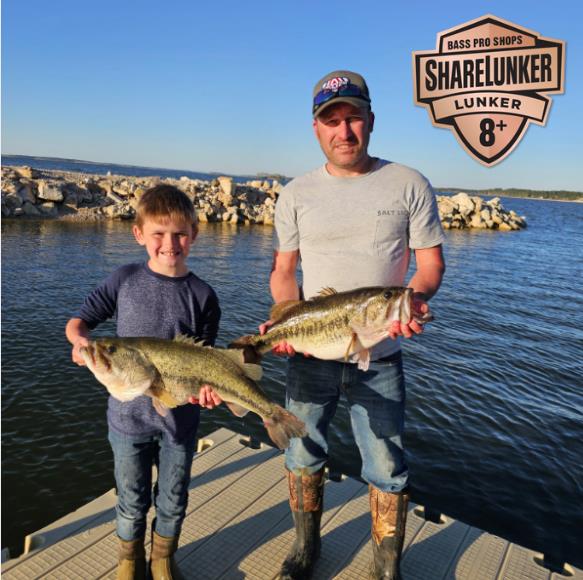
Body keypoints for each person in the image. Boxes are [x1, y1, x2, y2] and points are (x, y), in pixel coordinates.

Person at [266, 70, 446, 580]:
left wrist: (414, 302)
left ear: (371, 120)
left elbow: (430, 265)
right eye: (332, 121)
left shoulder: (409, 184)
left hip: (380, 354)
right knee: (302, 452)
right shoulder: (296, 193)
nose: (343, 131)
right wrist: (286, 318)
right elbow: (284, 271)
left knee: (387, 466)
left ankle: (386, 568)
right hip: (310, 355)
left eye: (353, 118)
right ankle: (306, 548)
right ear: (316, 128)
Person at [65, 185, 222, 580]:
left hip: (179, 423)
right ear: (139, 234)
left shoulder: (204, 295)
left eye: (180, 234)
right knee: (131, 499)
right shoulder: (124, 279)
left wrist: (206, 391)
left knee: (173, 498)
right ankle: (129, 560)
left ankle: (162, 559)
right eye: (158, 233)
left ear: (194, 234)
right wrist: (80, 343)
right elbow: (79, 322)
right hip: (126, 421)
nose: (170, 244)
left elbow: (206, 360)